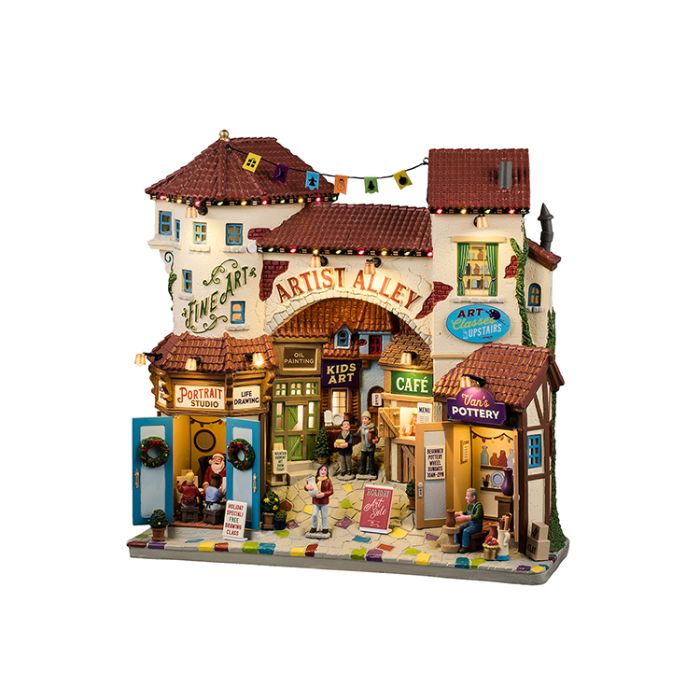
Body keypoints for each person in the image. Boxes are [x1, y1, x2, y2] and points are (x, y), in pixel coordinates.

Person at [304, 464, 334, 534]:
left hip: (324, 502)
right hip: (316, 501)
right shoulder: (314, 479)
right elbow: (307, 486)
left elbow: (331, 491)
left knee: (324, 516)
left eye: (325, 470)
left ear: (327, 472)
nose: (323, 471)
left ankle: (325, 528)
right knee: (314, 514)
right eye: (321, 470)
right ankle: (313, 527)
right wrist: (307, 487)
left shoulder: (328, 481)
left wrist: (324, 494)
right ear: (318, 471)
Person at [454, 487, 484, 553]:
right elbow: (467, 513)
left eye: (468, 496)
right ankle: (457, 543)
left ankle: (465, 547)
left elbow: (476, 516)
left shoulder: (478, 506)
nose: (466, 498)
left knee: (466, 531)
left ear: (473, 497)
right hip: (470, 523)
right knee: (459, 528)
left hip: (476, 526)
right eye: (466, 496)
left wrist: (465, 517)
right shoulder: (469, 505)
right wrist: (460, 513)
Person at [356, 410, 379, 477]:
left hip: (371, 446)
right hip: (364, 447)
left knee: (371, 459)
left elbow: (377, 435)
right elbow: (357, 434)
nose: (364, 420)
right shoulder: (361, 428)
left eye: (365, 419)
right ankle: (362, 471)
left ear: (369, 420)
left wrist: (376, 439)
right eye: (363, 419)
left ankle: (371, 471)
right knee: (363, 459)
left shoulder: (373, 427)